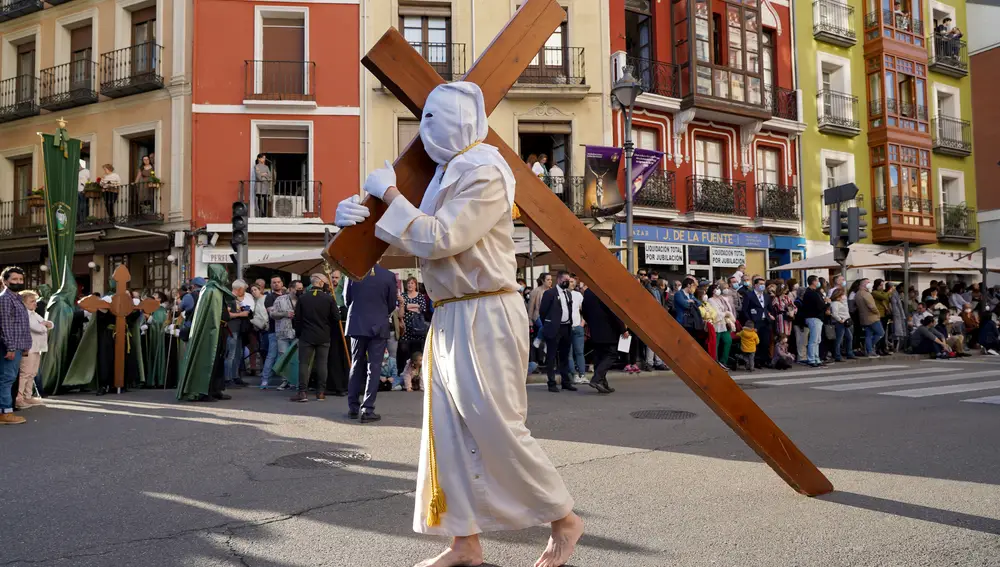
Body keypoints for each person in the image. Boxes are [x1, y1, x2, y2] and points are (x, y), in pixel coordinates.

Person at [335, 81, 580, 567]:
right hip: (450, 314)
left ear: (463, 121)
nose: (423, 129)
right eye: (423, 117)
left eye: (432, 117)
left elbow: (443, 236)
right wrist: (353, 218)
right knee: (444, 431)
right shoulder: (442, 175)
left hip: (487, 310)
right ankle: (463, 542)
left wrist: (386, 193)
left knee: (495, 424)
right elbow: (415, 240)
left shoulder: (487, 170)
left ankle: (564, 518)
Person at [344, 264, 397, 423]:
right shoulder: (388, 275)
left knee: (356, 364)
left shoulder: (352, 271)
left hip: (357, 323)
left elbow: (347, 300)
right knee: (374, 367)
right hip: (378, 325)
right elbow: (391, 304)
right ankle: (367, 409)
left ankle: (353, 407)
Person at [176, 265, 232, 402]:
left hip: (220, 330)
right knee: (209, 360)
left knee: (218, 361)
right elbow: (210, 315)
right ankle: (204, 391)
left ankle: (216, 389)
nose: (226, 277)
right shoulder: (211, 290)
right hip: (212, 332)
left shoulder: (216, 289)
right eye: (223, 274)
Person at [289, 274, 340, 402]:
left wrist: (299, 333)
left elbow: (297, 319)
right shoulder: (329, 299)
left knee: (304, 364)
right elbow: (336, 318)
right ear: (322, 283)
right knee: (322, 364)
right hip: (323, 335)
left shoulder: (303, 298)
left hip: (306, 335)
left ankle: (302, 392)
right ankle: (321, 392)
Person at [0, 267, 31, 424]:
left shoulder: (17, 298)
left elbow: (22, 324)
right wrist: (11, 348)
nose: (18, 282)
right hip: (9, 347)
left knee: (9, 379)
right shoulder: (5, 299)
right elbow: (5, 326)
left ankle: (6, 411)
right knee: (7, 379)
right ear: (5, 281)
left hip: (18, 345)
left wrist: (25, 345)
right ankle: (5, 413)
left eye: (20, 279)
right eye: (14, 280)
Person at [540, 271, 578, 393]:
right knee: (551, 356)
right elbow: (543, 311)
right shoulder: (549, 293)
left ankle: (565, 381)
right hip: (554, 328)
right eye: (566, 280)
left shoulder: (568, 294)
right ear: (560, 280)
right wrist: (549, 324)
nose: (568, 282)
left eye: (569, 280)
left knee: (565, 356)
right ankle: (551, 382)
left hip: (566, 327)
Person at [580, 286, 623, 394]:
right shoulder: (606, 291)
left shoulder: (588, 291)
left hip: (595, 330)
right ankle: (596, 379)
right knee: (611, 354)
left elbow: (584, 310)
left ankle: (603, 383)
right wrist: (623, 329)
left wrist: (592, 322)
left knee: (600, 356)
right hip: (609, 330)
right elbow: (613, 312)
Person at [15, 290, 51, 408]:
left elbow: (50, 324)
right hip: (28, 348)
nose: (35, 303)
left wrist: (46, 324)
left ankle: (28, 396)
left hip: (37, 347)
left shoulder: (34, 314)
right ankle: (19, 398)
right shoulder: (25, 314)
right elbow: (38, 328)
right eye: (32, 301)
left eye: (35, 301)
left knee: (32, 373)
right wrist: (45, 325)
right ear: (24, 303)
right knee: (25, 373)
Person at [270, 280, 300, 391]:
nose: (300, 291)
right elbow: (272, 314)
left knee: (296, 359)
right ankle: (284, 381)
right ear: (291, 289)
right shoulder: (280, 299)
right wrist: (284, 314)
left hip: (297, 333)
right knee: (283, 356)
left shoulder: (303, 300)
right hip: (283, 332)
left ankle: (294, 381)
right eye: (298, 289)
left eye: (301, 289)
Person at [224, 280, 253, 387]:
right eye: (244, 290)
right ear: (240, 289)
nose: (244, 293)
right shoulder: (229, 298)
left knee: (238, 354)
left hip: (238, 329)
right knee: (231, 355)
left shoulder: (234, 299)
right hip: (232, 330)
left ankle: (235, 376)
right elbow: (227, 314)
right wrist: (242, 314)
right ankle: (228, 378)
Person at [397, 277, 429, 376]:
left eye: (412, 283)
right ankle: (404, 373)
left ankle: (417, 375)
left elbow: (422, 308)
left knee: (417, 352)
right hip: (406, 328)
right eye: (408, 283)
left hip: (417, 328)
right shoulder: (403, 295)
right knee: (404, 350)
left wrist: (408, 307)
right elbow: (402, 310)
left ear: (416, 285)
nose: (410, 285)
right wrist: (413, 306)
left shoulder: (420, 296)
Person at [260, 275, 285, 389]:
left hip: (286, 330)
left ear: (282, 283)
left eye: (278, 282)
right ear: (271, 285)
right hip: (274, 331)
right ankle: (265, 380)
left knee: (284, 355)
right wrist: (285, 313)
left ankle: (285, 381)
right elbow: (272, 313)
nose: (276, 284)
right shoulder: (269, 297)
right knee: (272, 355)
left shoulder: (286, 296)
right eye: (274, 282)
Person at [741, 276, 772, 368]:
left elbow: (769, 308)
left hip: (765, 321)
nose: (763, 286)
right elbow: (745, 310)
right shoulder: (749, 295)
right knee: (755, 342)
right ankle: (756, 361)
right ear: (755, 285)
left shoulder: (766, 296)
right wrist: (750, 321)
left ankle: (765, 360)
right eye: (760, 284)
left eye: (764, 284)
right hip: (755, 321)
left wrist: (770, 315)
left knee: (765, 342)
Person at [707, 283, 735, 369]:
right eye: (717, 288)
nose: (719, 290)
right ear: (713, 291)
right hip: (716, 324)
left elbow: (724, 309)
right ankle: (715, 361)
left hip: (723, 323)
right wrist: (725, 313)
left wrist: (727, 314)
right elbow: (716, 312)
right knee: (716, 343)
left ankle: (724, 361)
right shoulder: (710, 300)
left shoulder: (719, 299)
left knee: (728, 340)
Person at [856, 278, 884, 358]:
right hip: (872, 317)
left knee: (868, 334)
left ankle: (869, 351)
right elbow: (871, 306)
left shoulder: (858, 293)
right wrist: (877, 313)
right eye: (868, 282)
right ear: (864, 284)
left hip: (863, 318)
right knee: (880, 333)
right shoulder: (866, 294)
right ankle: (869, 348)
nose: (870, 284)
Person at [567, 276, 587, 384]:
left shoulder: (578, 295)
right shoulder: (563, 294)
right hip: (567, 327)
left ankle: (582, 374)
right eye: (569, 282)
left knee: (579, 352)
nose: (571, 284)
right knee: (569, 353)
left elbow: (584, 309)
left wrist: (582, 322)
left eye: (572, 282)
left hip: (577, 326)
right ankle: (574, 374)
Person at [830, 288, 855, 362]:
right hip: (840, 322)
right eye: (842, 295)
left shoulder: (840, 302)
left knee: (849, 337)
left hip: (845, 322)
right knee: (839, 339)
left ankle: (849, 353)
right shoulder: (835, 303)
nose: (843, 296)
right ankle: (837, 355)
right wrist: (840, 320)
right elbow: (834, 313)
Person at [253, 153, 272, 217]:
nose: (264, 159)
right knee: (259, 200)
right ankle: (261, 213)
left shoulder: (266, 167)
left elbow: (269, 176)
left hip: (265, 185)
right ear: (259, 158)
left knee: (265, 200)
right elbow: (258, 176)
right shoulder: (256, 166)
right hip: (259, 186)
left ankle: (265, 214)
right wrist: (264, 174)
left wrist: (263, 174)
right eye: (263, 158)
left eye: (264, 158)